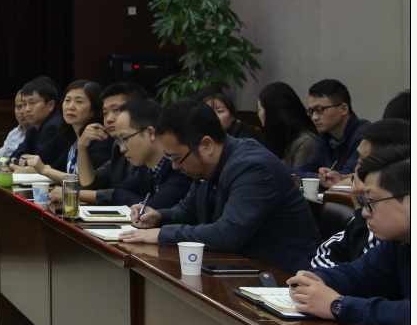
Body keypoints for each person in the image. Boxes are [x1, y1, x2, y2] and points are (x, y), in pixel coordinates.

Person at [120, 99, 320, 275]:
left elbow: (227, 234)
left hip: (284, 277)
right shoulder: (207, 166)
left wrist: (161, 234)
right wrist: (159, 217)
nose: (174, 166)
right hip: (241, 267)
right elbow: (188, 211)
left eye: (178, 158)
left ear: (206, 145)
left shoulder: (253, 167)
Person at [289, 146, 410, 325]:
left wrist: (338, 305)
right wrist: (316, 280)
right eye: (363, 202)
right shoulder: (400, 243)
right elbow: (357, 275)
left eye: (371, 201)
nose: (365, 212)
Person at [312, 119, 410, 267]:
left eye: (363, 161)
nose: (356, 169)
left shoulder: (394, 229)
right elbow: (326, 253)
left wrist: (362, 207)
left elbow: (368, 267)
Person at [101, 99, 193, 212]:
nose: (122, 149)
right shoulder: (147, 168)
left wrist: (144, 208)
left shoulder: (179, 167)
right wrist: (143, 205)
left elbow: (155, 211)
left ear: (150, 133)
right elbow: (119, 192)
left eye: (124, 139)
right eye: (120, 141)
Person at [76, 82, 147, 202]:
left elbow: (134, 195)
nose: (109, 119)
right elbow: (91, 184)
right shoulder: (117, 145)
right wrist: (82, 146)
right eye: (105, 113)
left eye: (116, 110)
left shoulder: (148, 147)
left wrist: (73, 194)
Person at [19, 80, 105, 179]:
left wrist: (44, 170)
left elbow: (88, 181)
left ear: (94, 109)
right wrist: (23, 169)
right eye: (67, 100)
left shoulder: (101, 139)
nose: (70, 107)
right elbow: (56, 168)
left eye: (79, 101)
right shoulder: (73, 138)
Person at [296, 78, 371, 185]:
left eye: (319, 110)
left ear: (343, 109)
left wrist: (315, 178)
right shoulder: (325, 136)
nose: (314, 117)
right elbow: (306, 168)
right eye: (311, 111)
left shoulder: (364, 135)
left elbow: (346, 177)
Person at [257, 81, 318, 168]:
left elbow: (298, 175)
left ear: (272, 112)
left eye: (259, 109)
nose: (258, 114)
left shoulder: (305, 141)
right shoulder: (279, 138)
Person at [15, 77, 69, 167]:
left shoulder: (54, 126)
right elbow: (17, 152)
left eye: (32, 103)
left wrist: (17, 161)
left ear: (50, 105)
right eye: (23, 104)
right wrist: (23, 156)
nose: (27, 109)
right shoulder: (33, 126)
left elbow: (40, 163)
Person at [0, 91, 29, 158]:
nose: (21, 112)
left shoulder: (37, 134)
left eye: (24, 106)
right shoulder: (13, 132)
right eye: (18, 107)